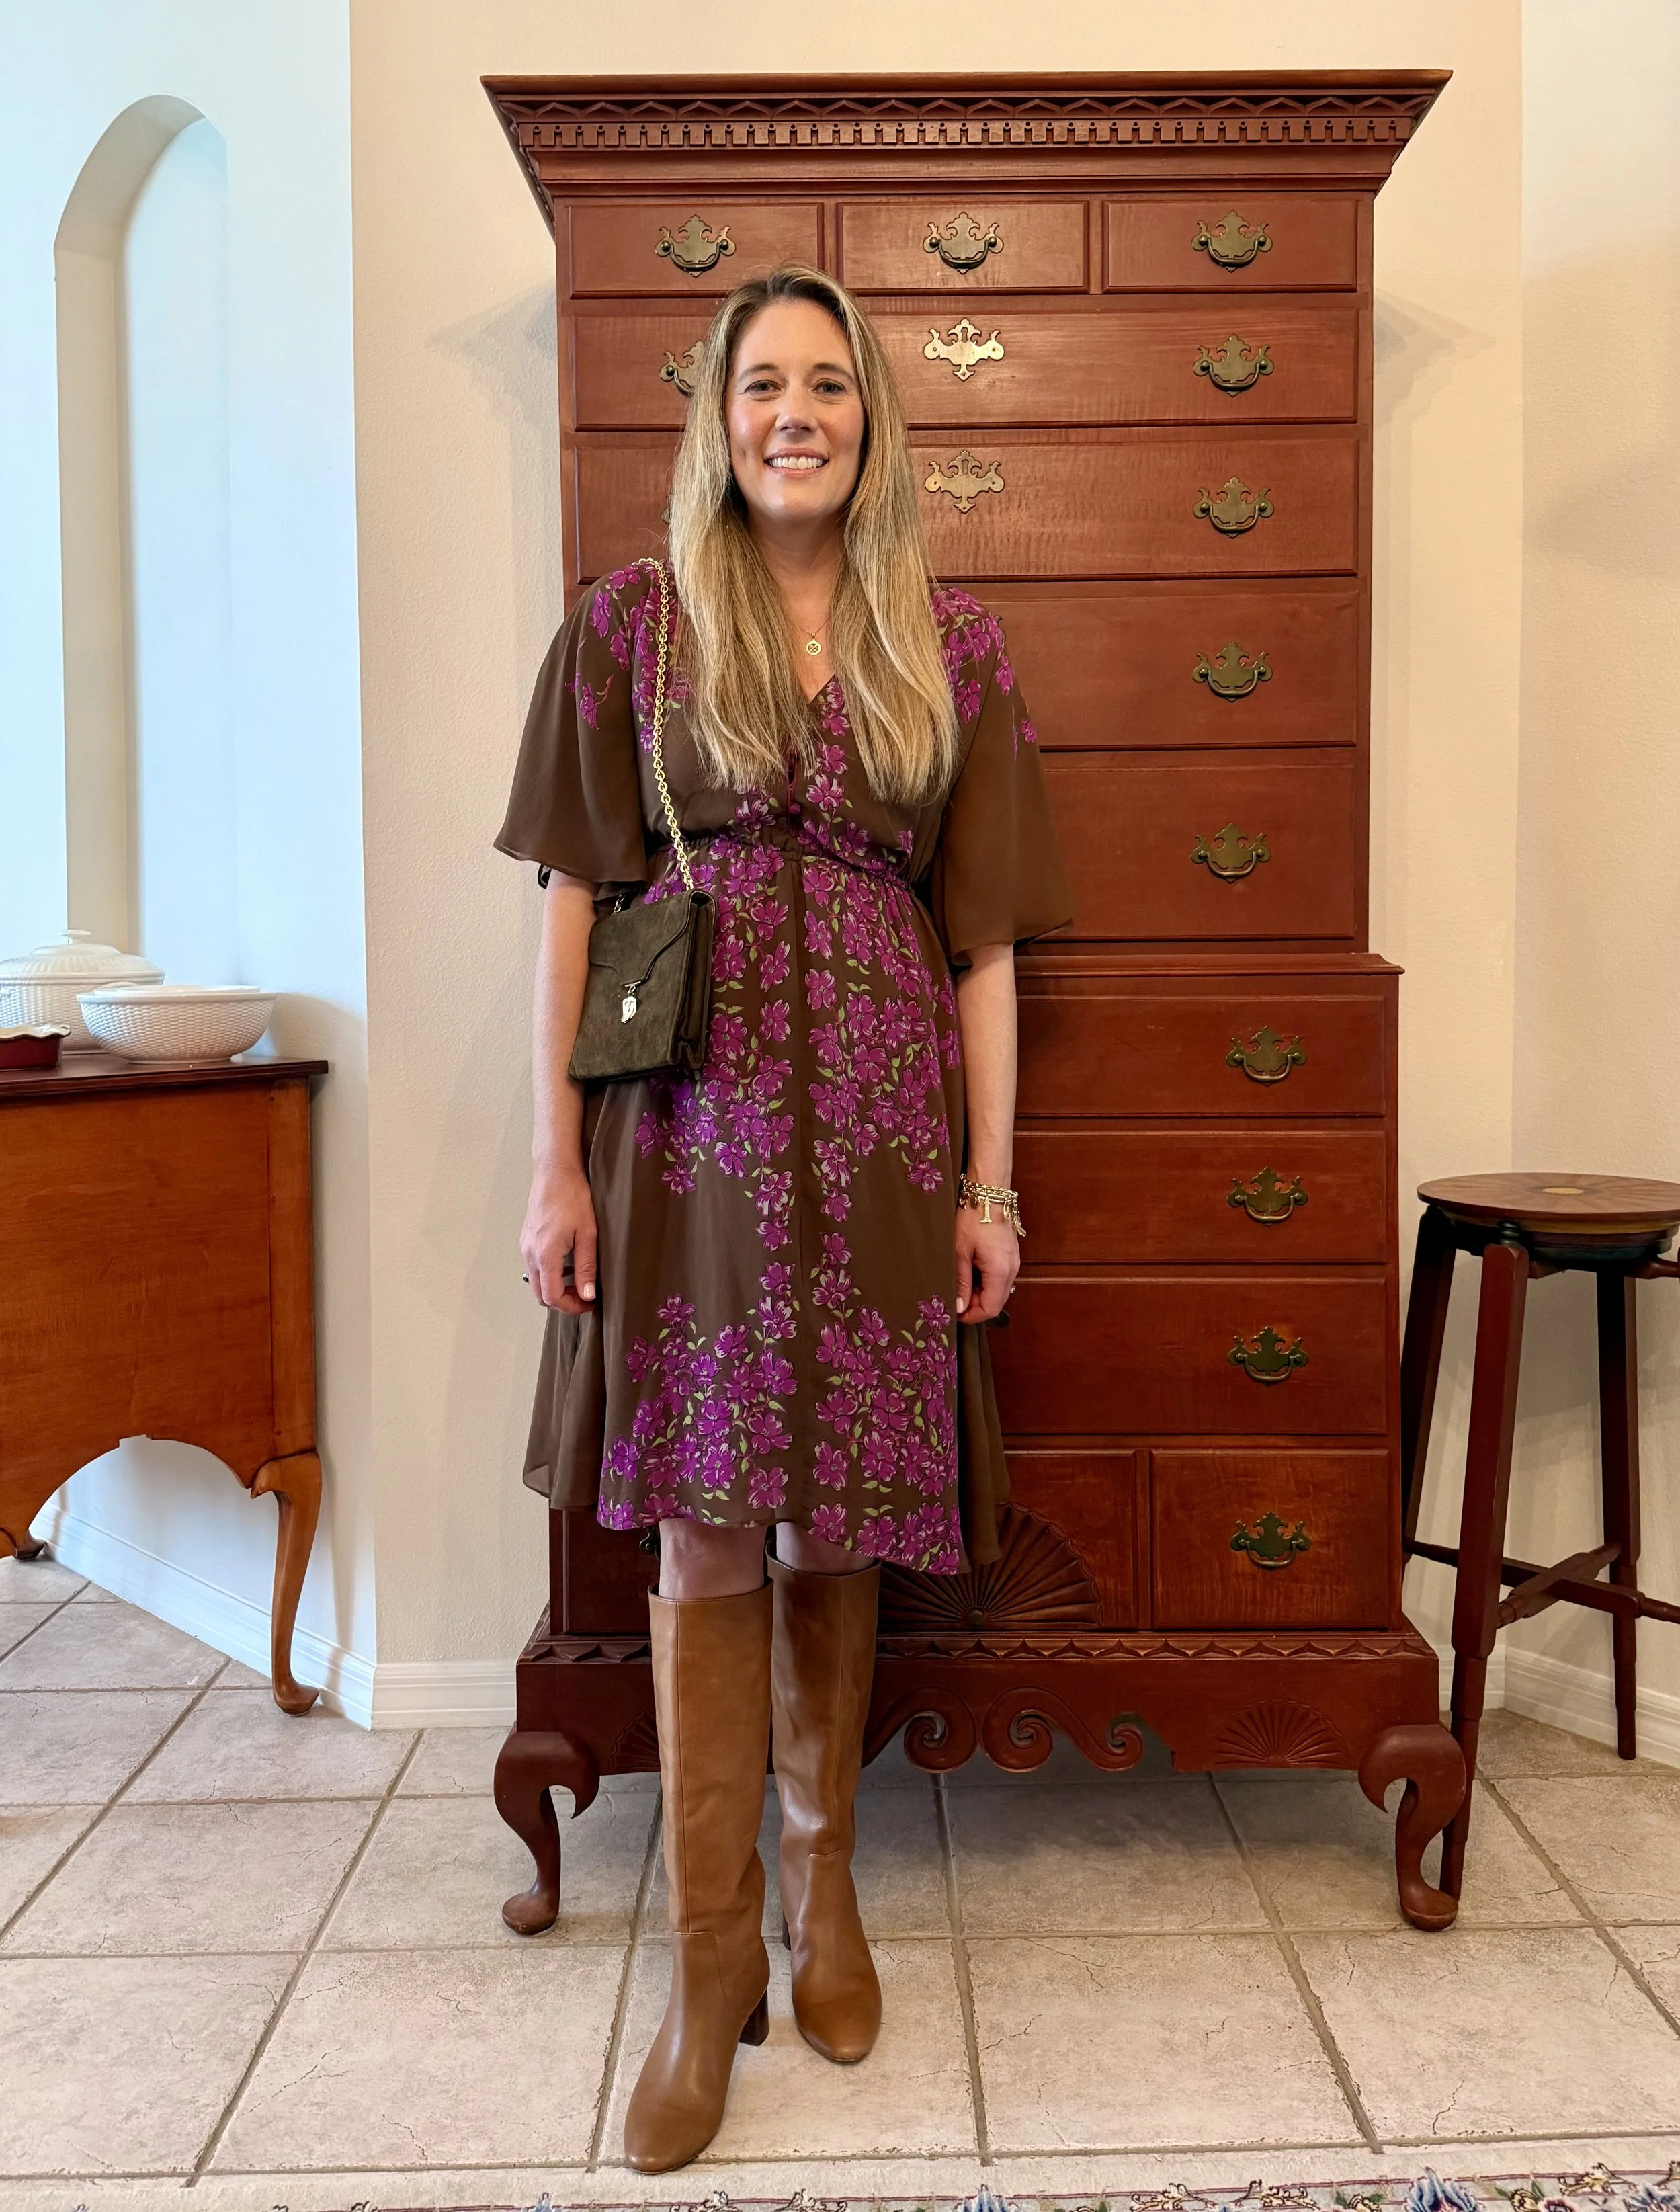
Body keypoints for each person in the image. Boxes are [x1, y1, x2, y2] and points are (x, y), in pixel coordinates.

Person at [496, 266, 1073, 2171]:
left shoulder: (949, 644)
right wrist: (554, 1163)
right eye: (764, 383)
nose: (795, 412)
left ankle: (828, 1909)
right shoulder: (629, 630)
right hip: (693, 1142)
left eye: (829, 383)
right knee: (707, 1535)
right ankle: (706, 1965)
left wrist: (992, 1181)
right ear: (718, 413)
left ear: (870, 417)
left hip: (891, 1139)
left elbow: (982, 944)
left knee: (845, 1522)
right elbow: (574, 904)